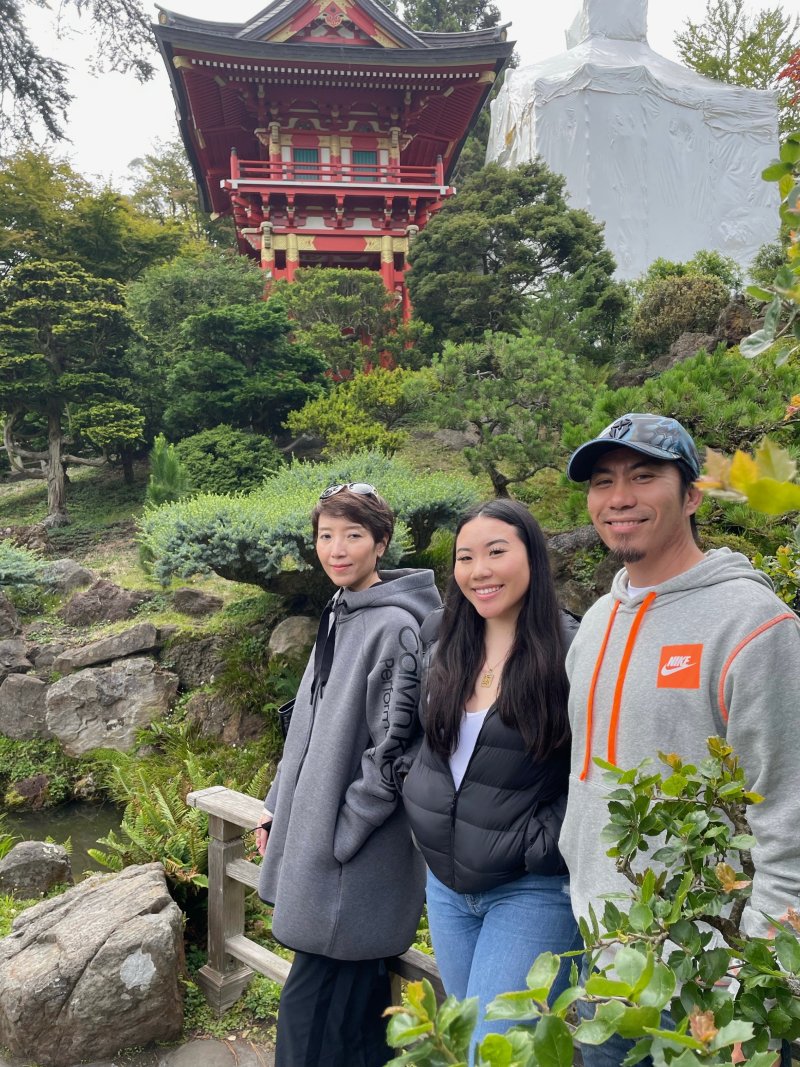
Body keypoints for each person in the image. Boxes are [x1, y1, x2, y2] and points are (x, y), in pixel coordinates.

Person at [562, 412, 800, 1067]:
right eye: (603, 481)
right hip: (604, 961)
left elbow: (788, 815)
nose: (619, 497)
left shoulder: (753, 625)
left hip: (707, 983)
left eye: (644, 476)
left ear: (693, 493)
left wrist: (756, 986)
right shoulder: (595, 623)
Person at [256, 483, 442, 1067]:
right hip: (322, 847)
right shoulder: (340, 610)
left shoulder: (396, 627)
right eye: (325, 536)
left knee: (311, 1026)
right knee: (353, 1030)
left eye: (353, 536)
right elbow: (306, 728)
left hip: (355, 866)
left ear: (381, 543)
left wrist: (340, 834)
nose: (336, 549)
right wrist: (276, 806)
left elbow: (395, 750)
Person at [402, 499, 582, 1047]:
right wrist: (421, 802)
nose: (479, 571)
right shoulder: (443, 636)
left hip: (531, 888)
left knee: (493, 1049)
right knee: (467, 1039)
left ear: (533, 556)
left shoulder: (572, 648)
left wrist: (537, 845)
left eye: (497, 552)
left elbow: (597, 769)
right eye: (465, 557)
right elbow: (410, 736)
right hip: (447, 884)